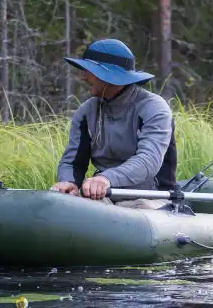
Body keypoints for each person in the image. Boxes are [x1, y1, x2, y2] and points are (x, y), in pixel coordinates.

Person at [51, 39, 177, 209]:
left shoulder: (154, 108)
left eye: (89, 70)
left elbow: (149, 161)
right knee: (68, 208)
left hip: (153, 199)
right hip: (106, 198)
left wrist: (106, 179)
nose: (83, 76)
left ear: (109, 75)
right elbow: (73, 161)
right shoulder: (86, 112)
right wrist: (68, 181)